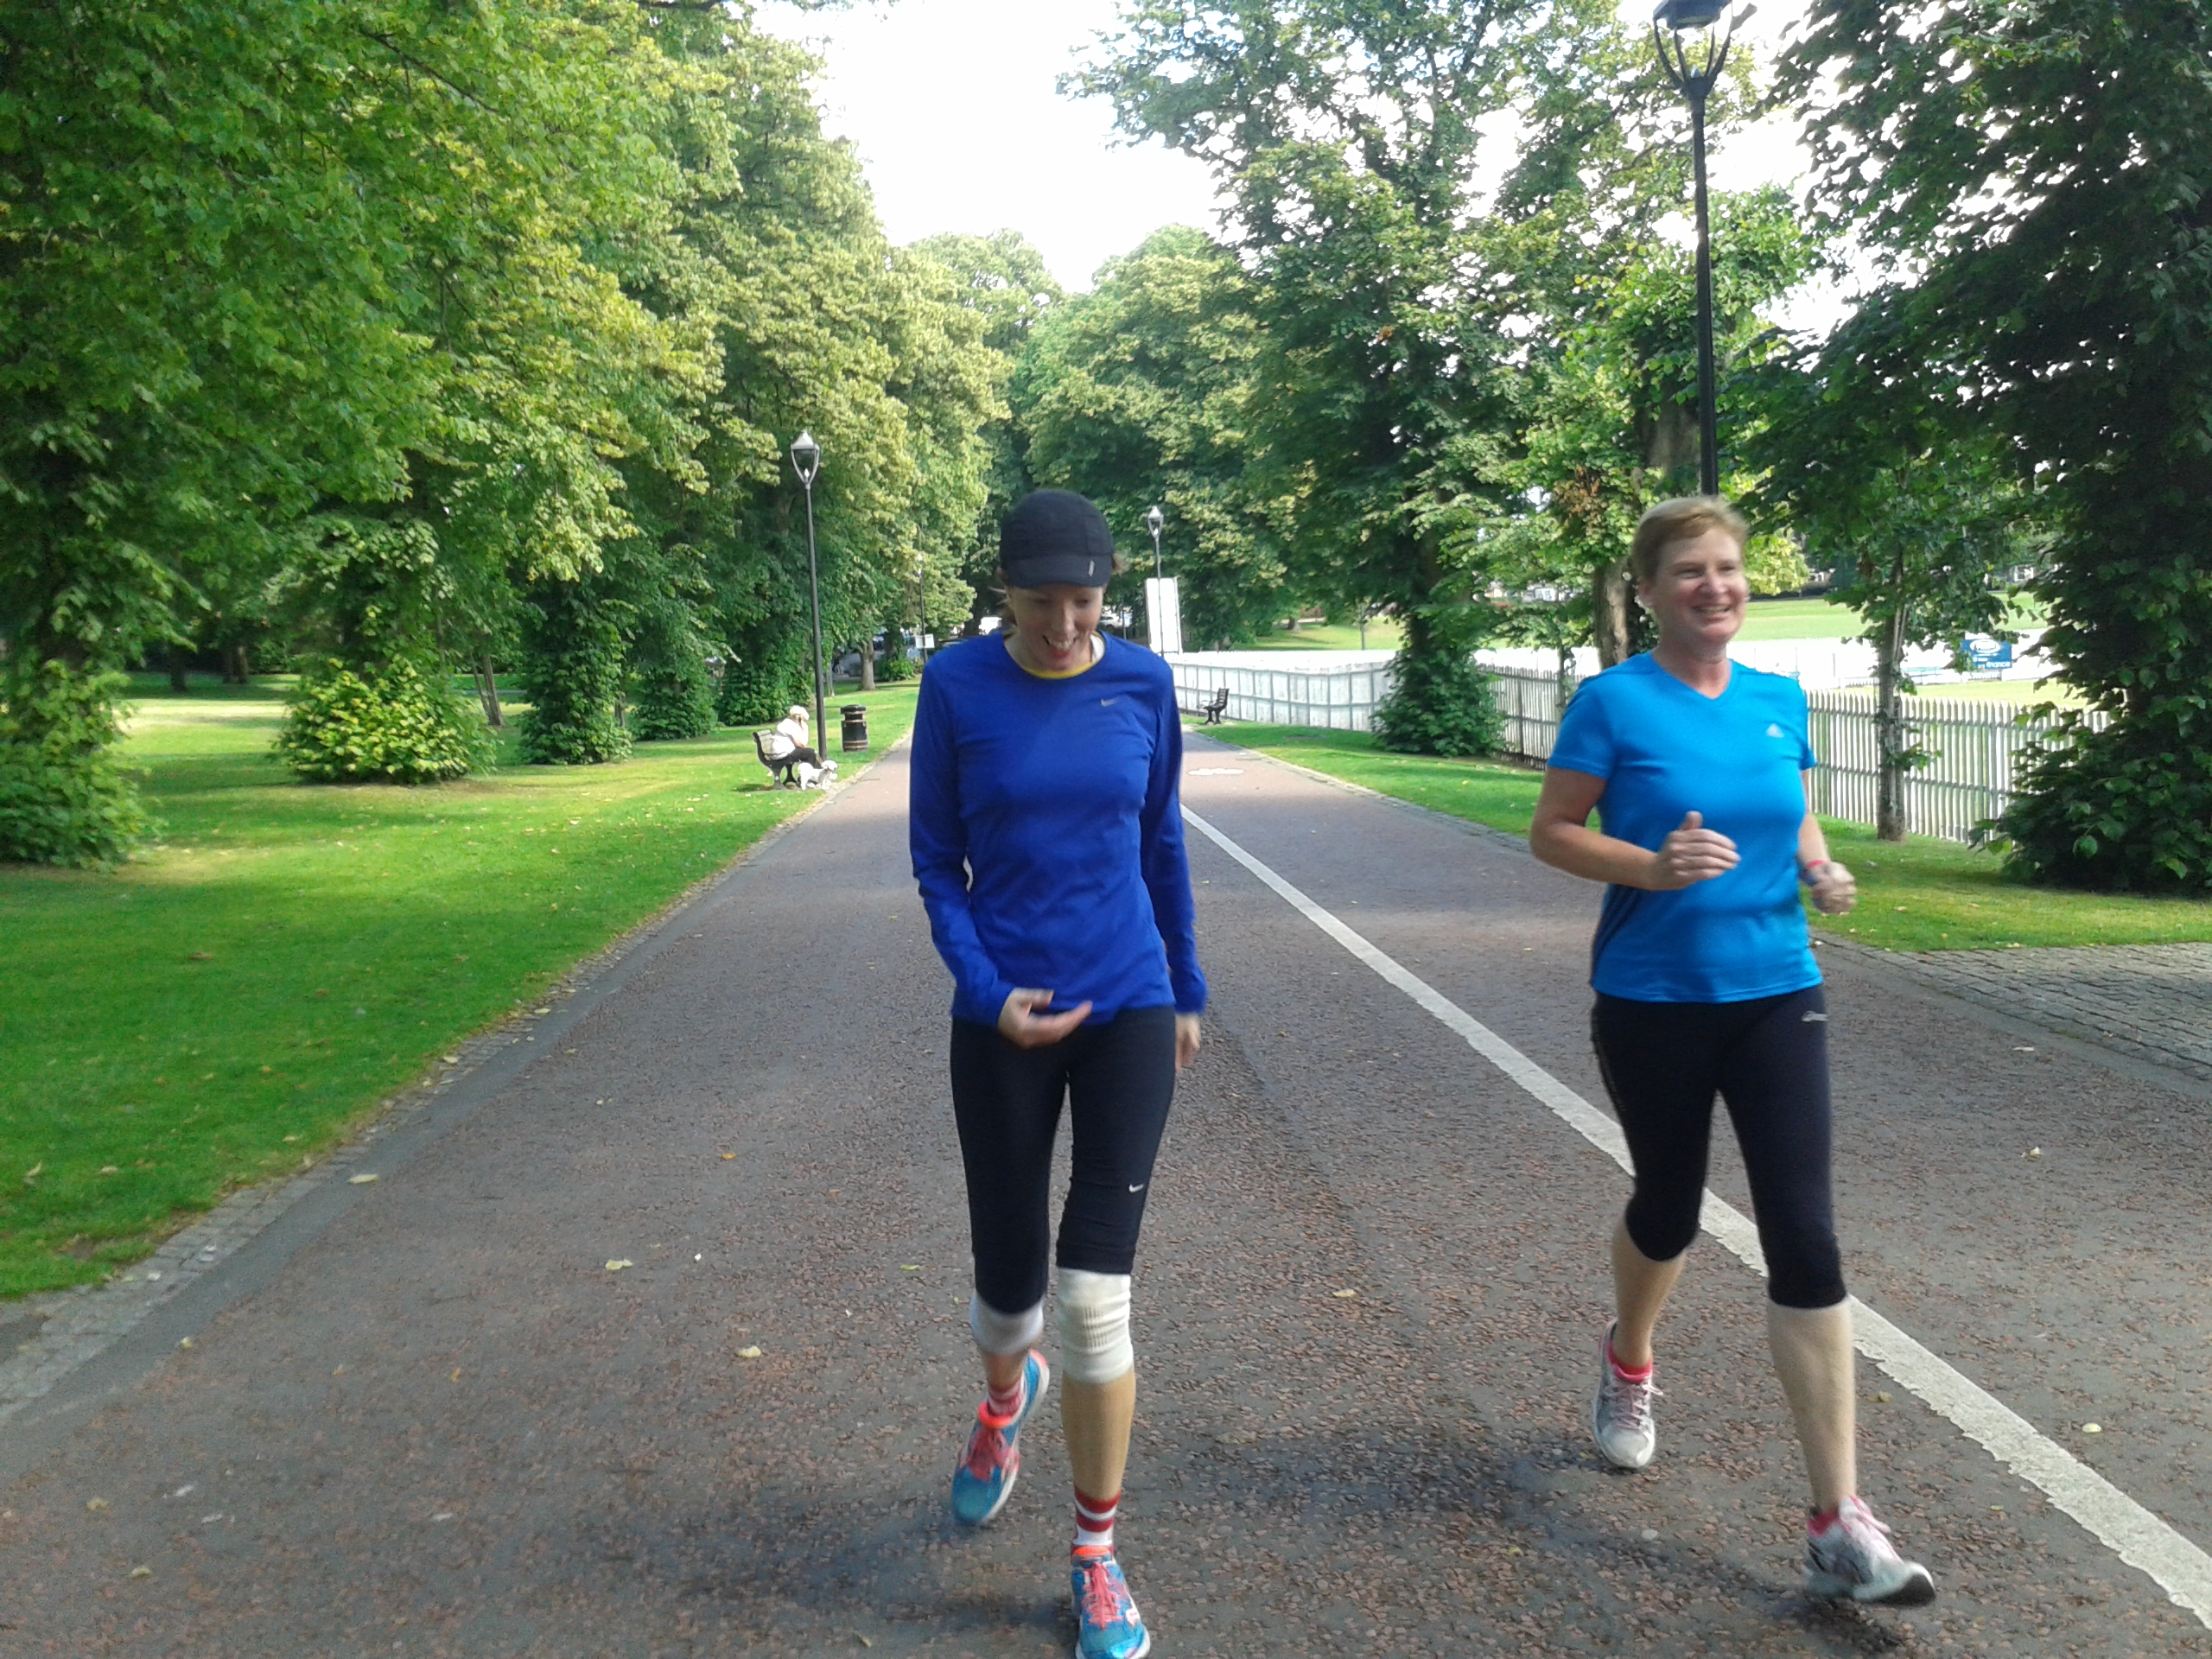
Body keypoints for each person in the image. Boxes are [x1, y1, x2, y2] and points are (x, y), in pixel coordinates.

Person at [1528, 496, 1936, 1608]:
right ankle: (1629, 1357)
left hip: (1778, 991)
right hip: (1652, 997)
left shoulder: (1776, 698)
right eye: (1688, 571)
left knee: (1805, 1237)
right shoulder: (1613, 702)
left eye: (1727, 568)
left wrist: (1818, 866)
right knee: (1668, 1207)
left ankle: (1837, 1522)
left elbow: (1790, 808)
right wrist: (1648, 868)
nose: (1714, 586)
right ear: (1648, 591)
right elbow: (1552, 831)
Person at [910, 488, 1205, 1659]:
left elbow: (1161, 840)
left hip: (1128, 1000)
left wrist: (1186, 984)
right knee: (1011, 1296)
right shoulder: (955, 686)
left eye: (1084, 602)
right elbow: (935, 861)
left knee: (1092, 1299)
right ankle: (1003, 1400)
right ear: (1006, 594)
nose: (1067, 626)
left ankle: (1094, 1555)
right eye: (1043, 603)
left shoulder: (1143, 683)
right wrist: (988, 993)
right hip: (1003, 1021)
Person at [766, 704, 822, 771]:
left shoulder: (788, 723)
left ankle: (819, 772)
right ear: (799, 718)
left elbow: (801, 745)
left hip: (781, 753)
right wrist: (805, 729)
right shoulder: (789, 725)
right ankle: (814, 773)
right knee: (810, 752)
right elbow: (802, 744)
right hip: (781, 755)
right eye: (802, 719)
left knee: (809, 752)